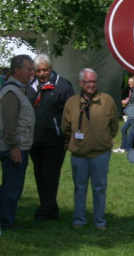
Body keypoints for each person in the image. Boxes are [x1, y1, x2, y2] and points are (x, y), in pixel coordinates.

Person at [62, 68, 119, 230]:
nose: (92, 85)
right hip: (79, 155)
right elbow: (65, 126)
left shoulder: (107, 100)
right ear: (81, 83)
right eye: (88, 82)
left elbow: (114, 125)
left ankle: (99, 221)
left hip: (101, 154)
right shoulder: (72, 102)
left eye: (94, 81)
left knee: (99, 188)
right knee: (80, 188)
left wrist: (105, 139)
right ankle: (79, 220)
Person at [25, 54, 75, 222]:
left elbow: (72, 113)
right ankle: (52, 209)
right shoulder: (30, 86)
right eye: (38, 70)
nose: (42, 73)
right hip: (33, 140)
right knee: (39, 175)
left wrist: (68, 137)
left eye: (44, 70)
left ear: (51, 69)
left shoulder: (63, 86)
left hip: (55, 140)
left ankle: (43, 212)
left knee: (50, 175)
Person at [0, 55, 35, 231]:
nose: (32, 73)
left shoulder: (18, 90)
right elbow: (9, 122)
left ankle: (6, 220)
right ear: (17, 70)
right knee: (11, 186)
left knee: (12, 185)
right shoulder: (11, 92)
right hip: (12, 148)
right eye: (29, 69)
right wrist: (14, 147)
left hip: (17, 146)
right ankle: (5, 223)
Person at [113, 76, 134, 153]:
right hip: (131, 113)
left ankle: (125, 147)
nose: (129, 83)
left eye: (131, 81)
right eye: (128, 81)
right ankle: (126, 147)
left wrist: (126, 102)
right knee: (127, 130)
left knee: (126, 130)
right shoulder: (132, 90)